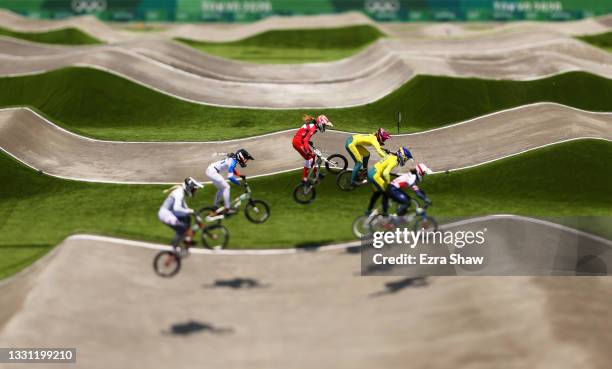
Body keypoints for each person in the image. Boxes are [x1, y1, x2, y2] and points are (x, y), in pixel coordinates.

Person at [158, 177, 203, 252]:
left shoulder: (181, 191)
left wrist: (192, 212)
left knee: (187, 218)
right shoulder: (180, 193)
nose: (195, 192)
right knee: (182, 229)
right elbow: (177, 208)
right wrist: (189, 211)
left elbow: (185, 207)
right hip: (165, 214)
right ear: (189, 188)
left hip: (168, 213)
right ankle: (173, 247)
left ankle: (186, 240)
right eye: (194, 189)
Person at [366, 146, 413, 216]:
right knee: (386, 192)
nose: (405, 161)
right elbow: (385, 173)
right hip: (375, 176)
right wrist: (389, 183)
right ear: (403, 157)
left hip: (371, 172)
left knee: (378, 192)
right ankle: (384, 213)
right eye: (406, 159)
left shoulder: (391, 156)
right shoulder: (395, 161)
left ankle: (369, 211)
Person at [205, 148, 254, 215]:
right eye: (246, 159)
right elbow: (230, 177)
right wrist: (239, 184)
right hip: (212, 172)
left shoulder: (233, 159)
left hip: (211, 170)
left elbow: (232, 169)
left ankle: (215, 207)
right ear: (241, 157)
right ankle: (227, 209)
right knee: (226, 187)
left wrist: (239, 175)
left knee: (221, 189)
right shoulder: (233, 162)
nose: (246, 161)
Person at [292, 114, 333, 182]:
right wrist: (307, 150)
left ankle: (316, 174)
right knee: (309, 158)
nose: (324, 127)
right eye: (324, 125)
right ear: (320, 123)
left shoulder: (313, 125)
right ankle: (304, 178)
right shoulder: (313, 128)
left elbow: (303, 136)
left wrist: (308, 142)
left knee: (312, 156)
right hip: (298, 143)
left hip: (299, 141)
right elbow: (305, 140)